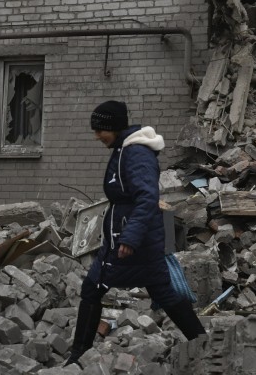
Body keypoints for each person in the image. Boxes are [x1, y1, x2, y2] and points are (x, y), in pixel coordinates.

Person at [65, 101, 206, 365]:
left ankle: (77, 357)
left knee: (101, 288)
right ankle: (202, 342)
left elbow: (147, 198)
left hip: (133, 242)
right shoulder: (123, 150)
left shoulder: (136, 154)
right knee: (153, 291)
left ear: (114, 127)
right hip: (127, 239)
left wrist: (130, 237)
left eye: (100, 130)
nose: (97, 136)